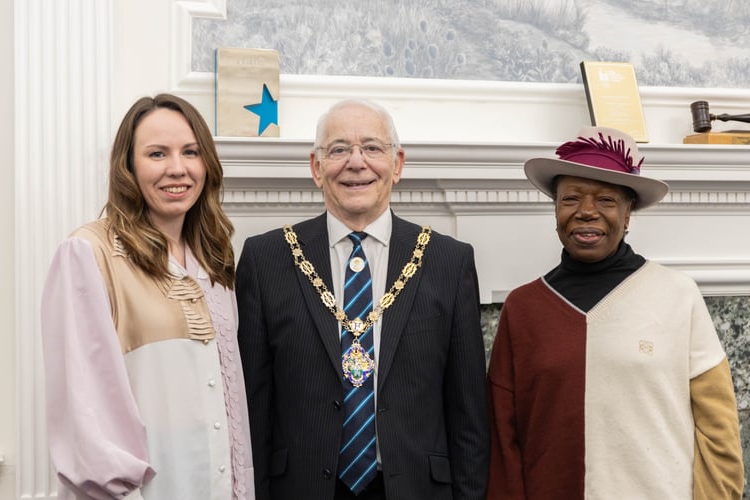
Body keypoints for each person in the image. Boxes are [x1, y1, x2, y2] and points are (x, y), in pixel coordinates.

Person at [236, 99, 489, 500]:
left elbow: (469, 415)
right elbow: (253, 408)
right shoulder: (266, 259)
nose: (356, 162)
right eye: (338, 149)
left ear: (398, 163)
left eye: (372, 147)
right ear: (316, 168)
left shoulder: (448, 261)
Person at [486, 126, 744, 499]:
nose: (586, 212)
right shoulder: (523, 308)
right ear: (555, 210)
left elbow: (718, 430)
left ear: (628, 215)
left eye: (606, 200)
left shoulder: (677, 295)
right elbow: (503, 437)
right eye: (570, 198)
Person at [41, 93, 255, 500]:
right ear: (129, 167)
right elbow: (86, 412)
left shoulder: (214, 261)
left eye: (190, 152)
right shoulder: (88, 254)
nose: (177, 168)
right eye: (157, 154)